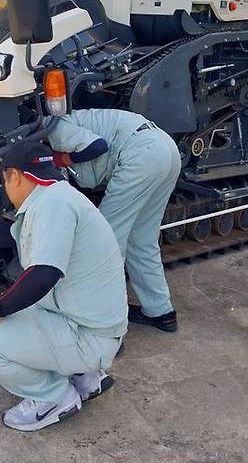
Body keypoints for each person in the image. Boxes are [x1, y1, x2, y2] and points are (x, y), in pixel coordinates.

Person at [0, 139, 128, 433]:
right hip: (90, 322)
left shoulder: (52, 205)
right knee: (20, 303)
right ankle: (86, 377)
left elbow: (44, 274)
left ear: (14, 176)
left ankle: (54, 398)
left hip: (89, 336)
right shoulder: (57, 196)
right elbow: (11, 234)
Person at [45, 109, 181, 332]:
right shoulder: (76, 119)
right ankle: (161, 312)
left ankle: (108, 328)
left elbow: (97, 146)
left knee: (105, 241)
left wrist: (59, 158)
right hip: (164, 148)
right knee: (142, 239)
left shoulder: (53, 126)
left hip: (140, 154)